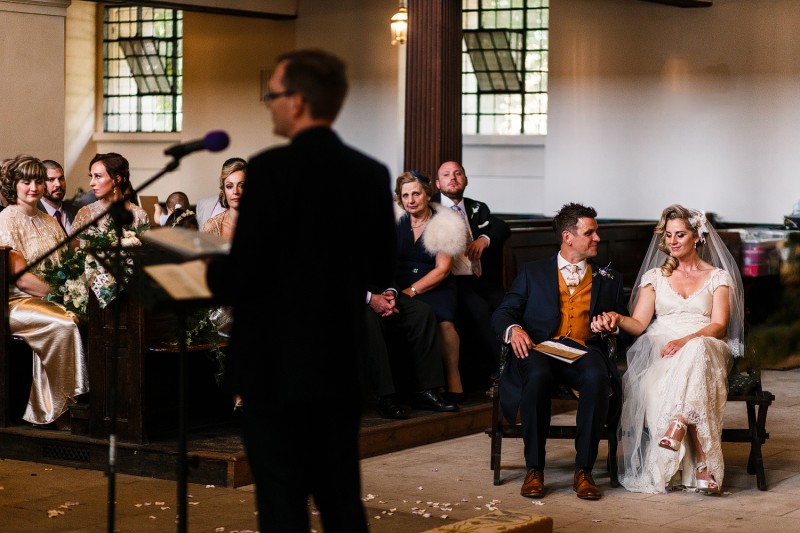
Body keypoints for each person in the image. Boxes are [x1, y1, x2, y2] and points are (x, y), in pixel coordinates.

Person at [205, 49, 397, 533]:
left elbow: (243, 274)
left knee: (280, 502)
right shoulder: (370, 173)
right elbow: (380, 268)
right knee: (340, 499)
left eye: (273, 94)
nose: (269, 103)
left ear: (298, 101)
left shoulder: (270, 171)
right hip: (338, 359)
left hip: (273, 362)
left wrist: (200, 273)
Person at [594, 204, 745, 495]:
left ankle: (677, 422)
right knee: (677, 379)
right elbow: (638, 324)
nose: (672, 241)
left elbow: (719, 327)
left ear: (697, 237)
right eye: (668, 235)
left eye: (680, 235)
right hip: (662, 348)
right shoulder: (655, 277)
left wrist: (686, 340)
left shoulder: (718, 277)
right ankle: (703, 466)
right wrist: (616, 319)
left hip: (707, 345)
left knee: (698, 349)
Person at [491, 202, 628, 501]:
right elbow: (503, 312)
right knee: (537, 375)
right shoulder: (532, 272)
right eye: (590, 232)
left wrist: (611, 324)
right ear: (568, 237)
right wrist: (514, 330)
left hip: (584, 348)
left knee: (596, 377)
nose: (597, 238)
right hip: (540, 347)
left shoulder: (609, 278)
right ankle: (534, 469)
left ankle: (584, 471)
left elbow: (622, 319)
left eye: (596, 232)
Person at [0, 155, 88, 429]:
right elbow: (22, 279)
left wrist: (77, 291)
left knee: (81, 317)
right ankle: (61, 409)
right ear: (13, 185)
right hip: (16, 303)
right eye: (26, 182)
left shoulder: (49, 221)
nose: (34, 188)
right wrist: (62, 297)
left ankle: (50, 406)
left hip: (49, 299)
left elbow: (69, 265)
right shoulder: (7, 219)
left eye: (39, 181)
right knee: (65, 321)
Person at [434, 160, 510, 387]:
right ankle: (500, 369)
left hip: (479, 278)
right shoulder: (431, 209)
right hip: (449, 280)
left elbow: (501, 227)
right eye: (446, 174)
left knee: (510, 303)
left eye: (458, 173)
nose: (453, 178)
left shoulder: (477, 207)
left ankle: (521, 362)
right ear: (438, 183)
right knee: (479, 309)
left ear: (465, 180)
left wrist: (484, 239)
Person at [394, 170, 468, 405]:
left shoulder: (444, 223)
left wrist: (412, 291)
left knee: (443, 321)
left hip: (435, 284)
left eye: (416, 194)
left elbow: (442, 270)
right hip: (400, 283)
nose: (411, 200)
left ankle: (452, 378)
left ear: (427, 195)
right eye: (405, 196)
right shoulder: (397, 222)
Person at [363, 285, 457, 419]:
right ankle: (386, 397)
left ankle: (425, 391)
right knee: (369, 319)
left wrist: (390, 292)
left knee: (421, 312)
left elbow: (386, 271)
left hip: (378, 293)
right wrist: (370, 298)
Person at [72, 152, 150, 235]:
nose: (91, 183)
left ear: (116, 179)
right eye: (92, 176)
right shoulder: (85, 214)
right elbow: (74, 247)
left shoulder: (139, 215)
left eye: (98, 176)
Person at [202, 157, 245, 238]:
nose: (235, 191)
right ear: (223, 189)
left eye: (241, 186)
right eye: (229, 186)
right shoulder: (211, 226)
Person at [37, 159, 77, 235]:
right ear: (40, 183)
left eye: (61, 178)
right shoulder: (33, 213)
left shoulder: (76, 212)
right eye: (51, 180)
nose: (58, 184)